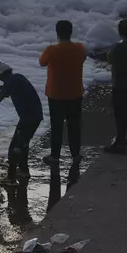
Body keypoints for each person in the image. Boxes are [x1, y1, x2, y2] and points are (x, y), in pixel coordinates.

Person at [0, 62, 43, 187]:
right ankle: (24, 171)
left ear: (1, 76)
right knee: (23, 144)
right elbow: (6, 88)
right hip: (36, 116)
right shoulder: (17, 77)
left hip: (27, 118)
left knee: (14, 148)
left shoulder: (9, 82)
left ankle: (11, 179)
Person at [39, 20, 86, 166]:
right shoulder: (80, 48)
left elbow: (42, 62)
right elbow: (83, 57)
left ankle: (55, 156)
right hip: (75, 93)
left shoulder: (51, 50)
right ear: (71, 32)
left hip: (56, 94)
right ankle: (76, 154)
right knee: (74, 125)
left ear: (57, 33)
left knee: (57, 126)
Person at [104, 19, 127, 154]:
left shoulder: (117, 48)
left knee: (120, 114)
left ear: (120, 32)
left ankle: (119, 143)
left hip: (120, 85)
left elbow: (109, 58)